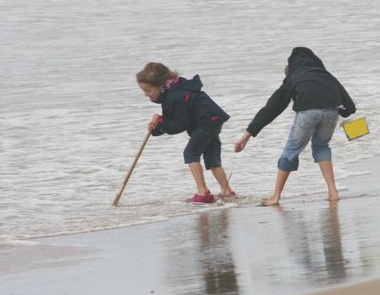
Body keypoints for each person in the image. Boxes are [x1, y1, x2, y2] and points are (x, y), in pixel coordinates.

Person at [234, 47, 355, 206]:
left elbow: (272, 108)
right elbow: (350, 106)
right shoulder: (326, 75)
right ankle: (333, 192)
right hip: (332, 113)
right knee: (321, 146)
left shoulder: (294, 77)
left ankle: (275, 196)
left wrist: (247, 135)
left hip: (307, 113)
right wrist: (343, 115)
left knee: (291, 151)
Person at [137, 62, 235, 203]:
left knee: (190, 153)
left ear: (160, 85)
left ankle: (203, 192)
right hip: (213, 119)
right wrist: (159, 125)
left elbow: (180, 124)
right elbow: (178, 118)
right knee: (211, 154)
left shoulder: (173, 97)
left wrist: (161, 124)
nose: (146, 95)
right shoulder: (176, 88)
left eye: (148, 91)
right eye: (144, 91)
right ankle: (227, 191)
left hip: (205, 121)